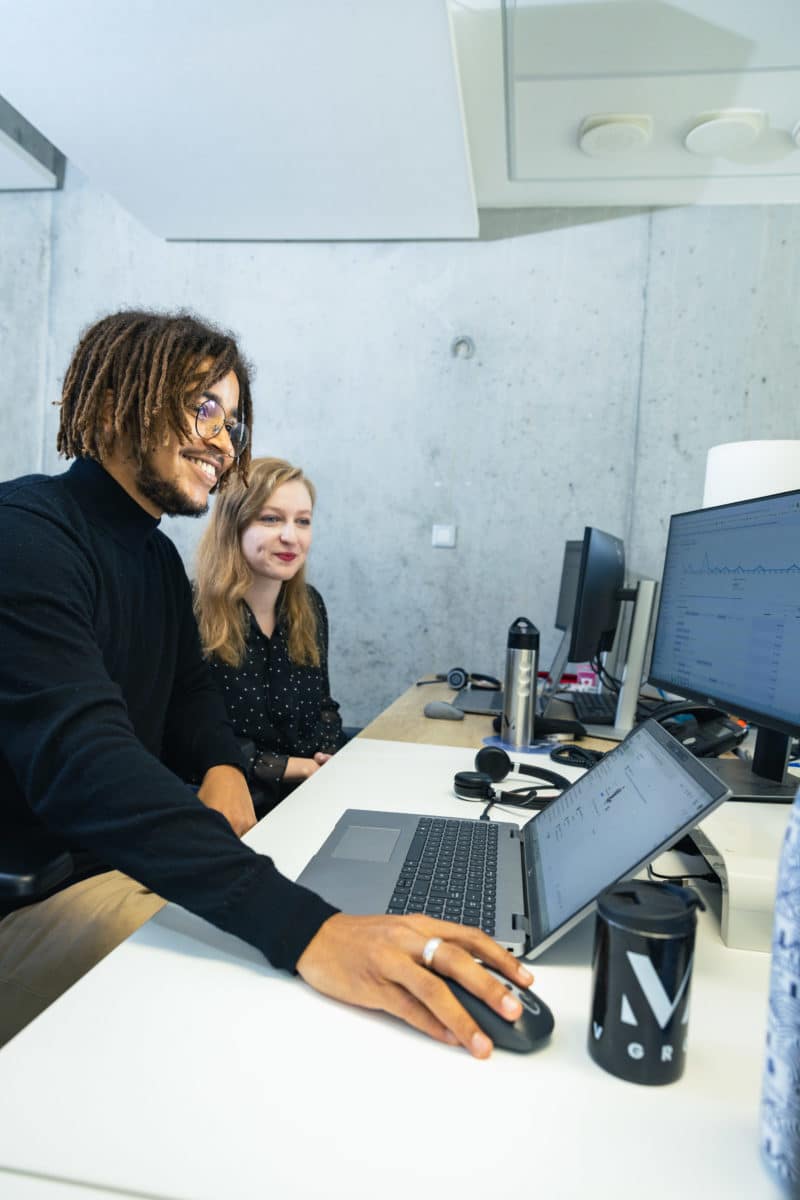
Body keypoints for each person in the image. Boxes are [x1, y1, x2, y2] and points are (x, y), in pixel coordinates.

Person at [0, 309, 533, 1054]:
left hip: (128, 862)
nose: (224, 443)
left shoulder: (154, 559)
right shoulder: (26, 533)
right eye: (203, 408)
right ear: (120, 399)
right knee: (292, 999)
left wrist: (222, 763)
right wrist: (309, 930)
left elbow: (190, 694)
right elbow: (86, 766)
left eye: (233, 422)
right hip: (42, 893)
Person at [194, 457, 345, 808]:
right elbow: (185, 735)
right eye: (271, 519)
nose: (291, 537)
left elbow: (324, 706)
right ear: (234, 523)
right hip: (229, 806)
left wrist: (325, 758)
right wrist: (292, 767)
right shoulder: (191, 610)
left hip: (309, 797)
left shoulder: (310, 605)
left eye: (302, 521)